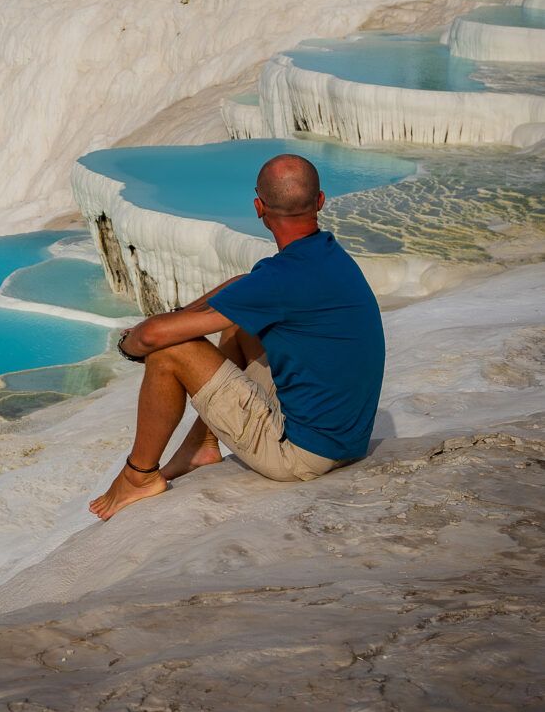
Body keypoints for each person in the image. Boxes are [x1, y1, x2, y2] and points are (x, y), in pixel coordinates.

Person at [90, 153, 385, 521]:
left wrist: (130, 344)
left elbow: (151, 337)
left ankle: (139, 476)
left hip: (302, 455)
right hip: (345, 437)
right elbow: (244, 286)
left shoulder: (280, 278)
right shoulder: (325, 255)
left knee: (171, 352)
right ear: (320, 201)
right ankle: (202, 444)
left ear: (259, 207)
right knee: (239, 321)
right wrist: (180, 316)